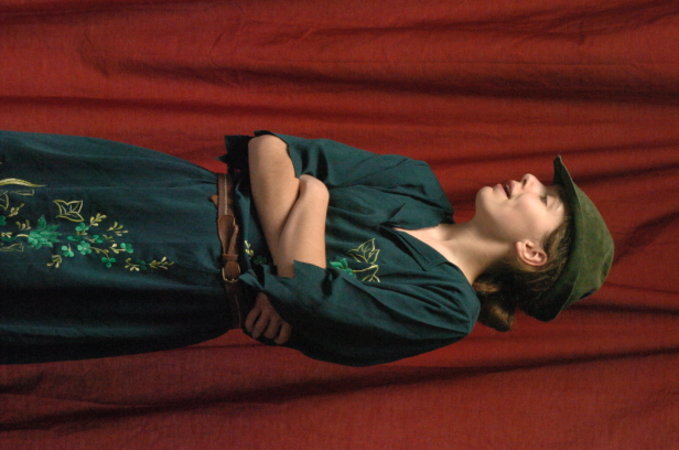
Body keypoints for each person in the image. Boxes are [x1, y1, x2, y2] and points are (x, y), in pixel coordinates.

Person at [0, 130, 614, 366]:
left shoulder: (446, 307)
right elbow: (269, 147)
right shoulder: (413, 183)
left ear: (533, 253)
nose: (529, 180)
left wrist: (313, 193)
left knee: (24, 278)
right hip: (172, 195)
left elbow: (312, 302)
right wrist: (295, 257)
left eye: (546, 199)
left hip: (179, 281)